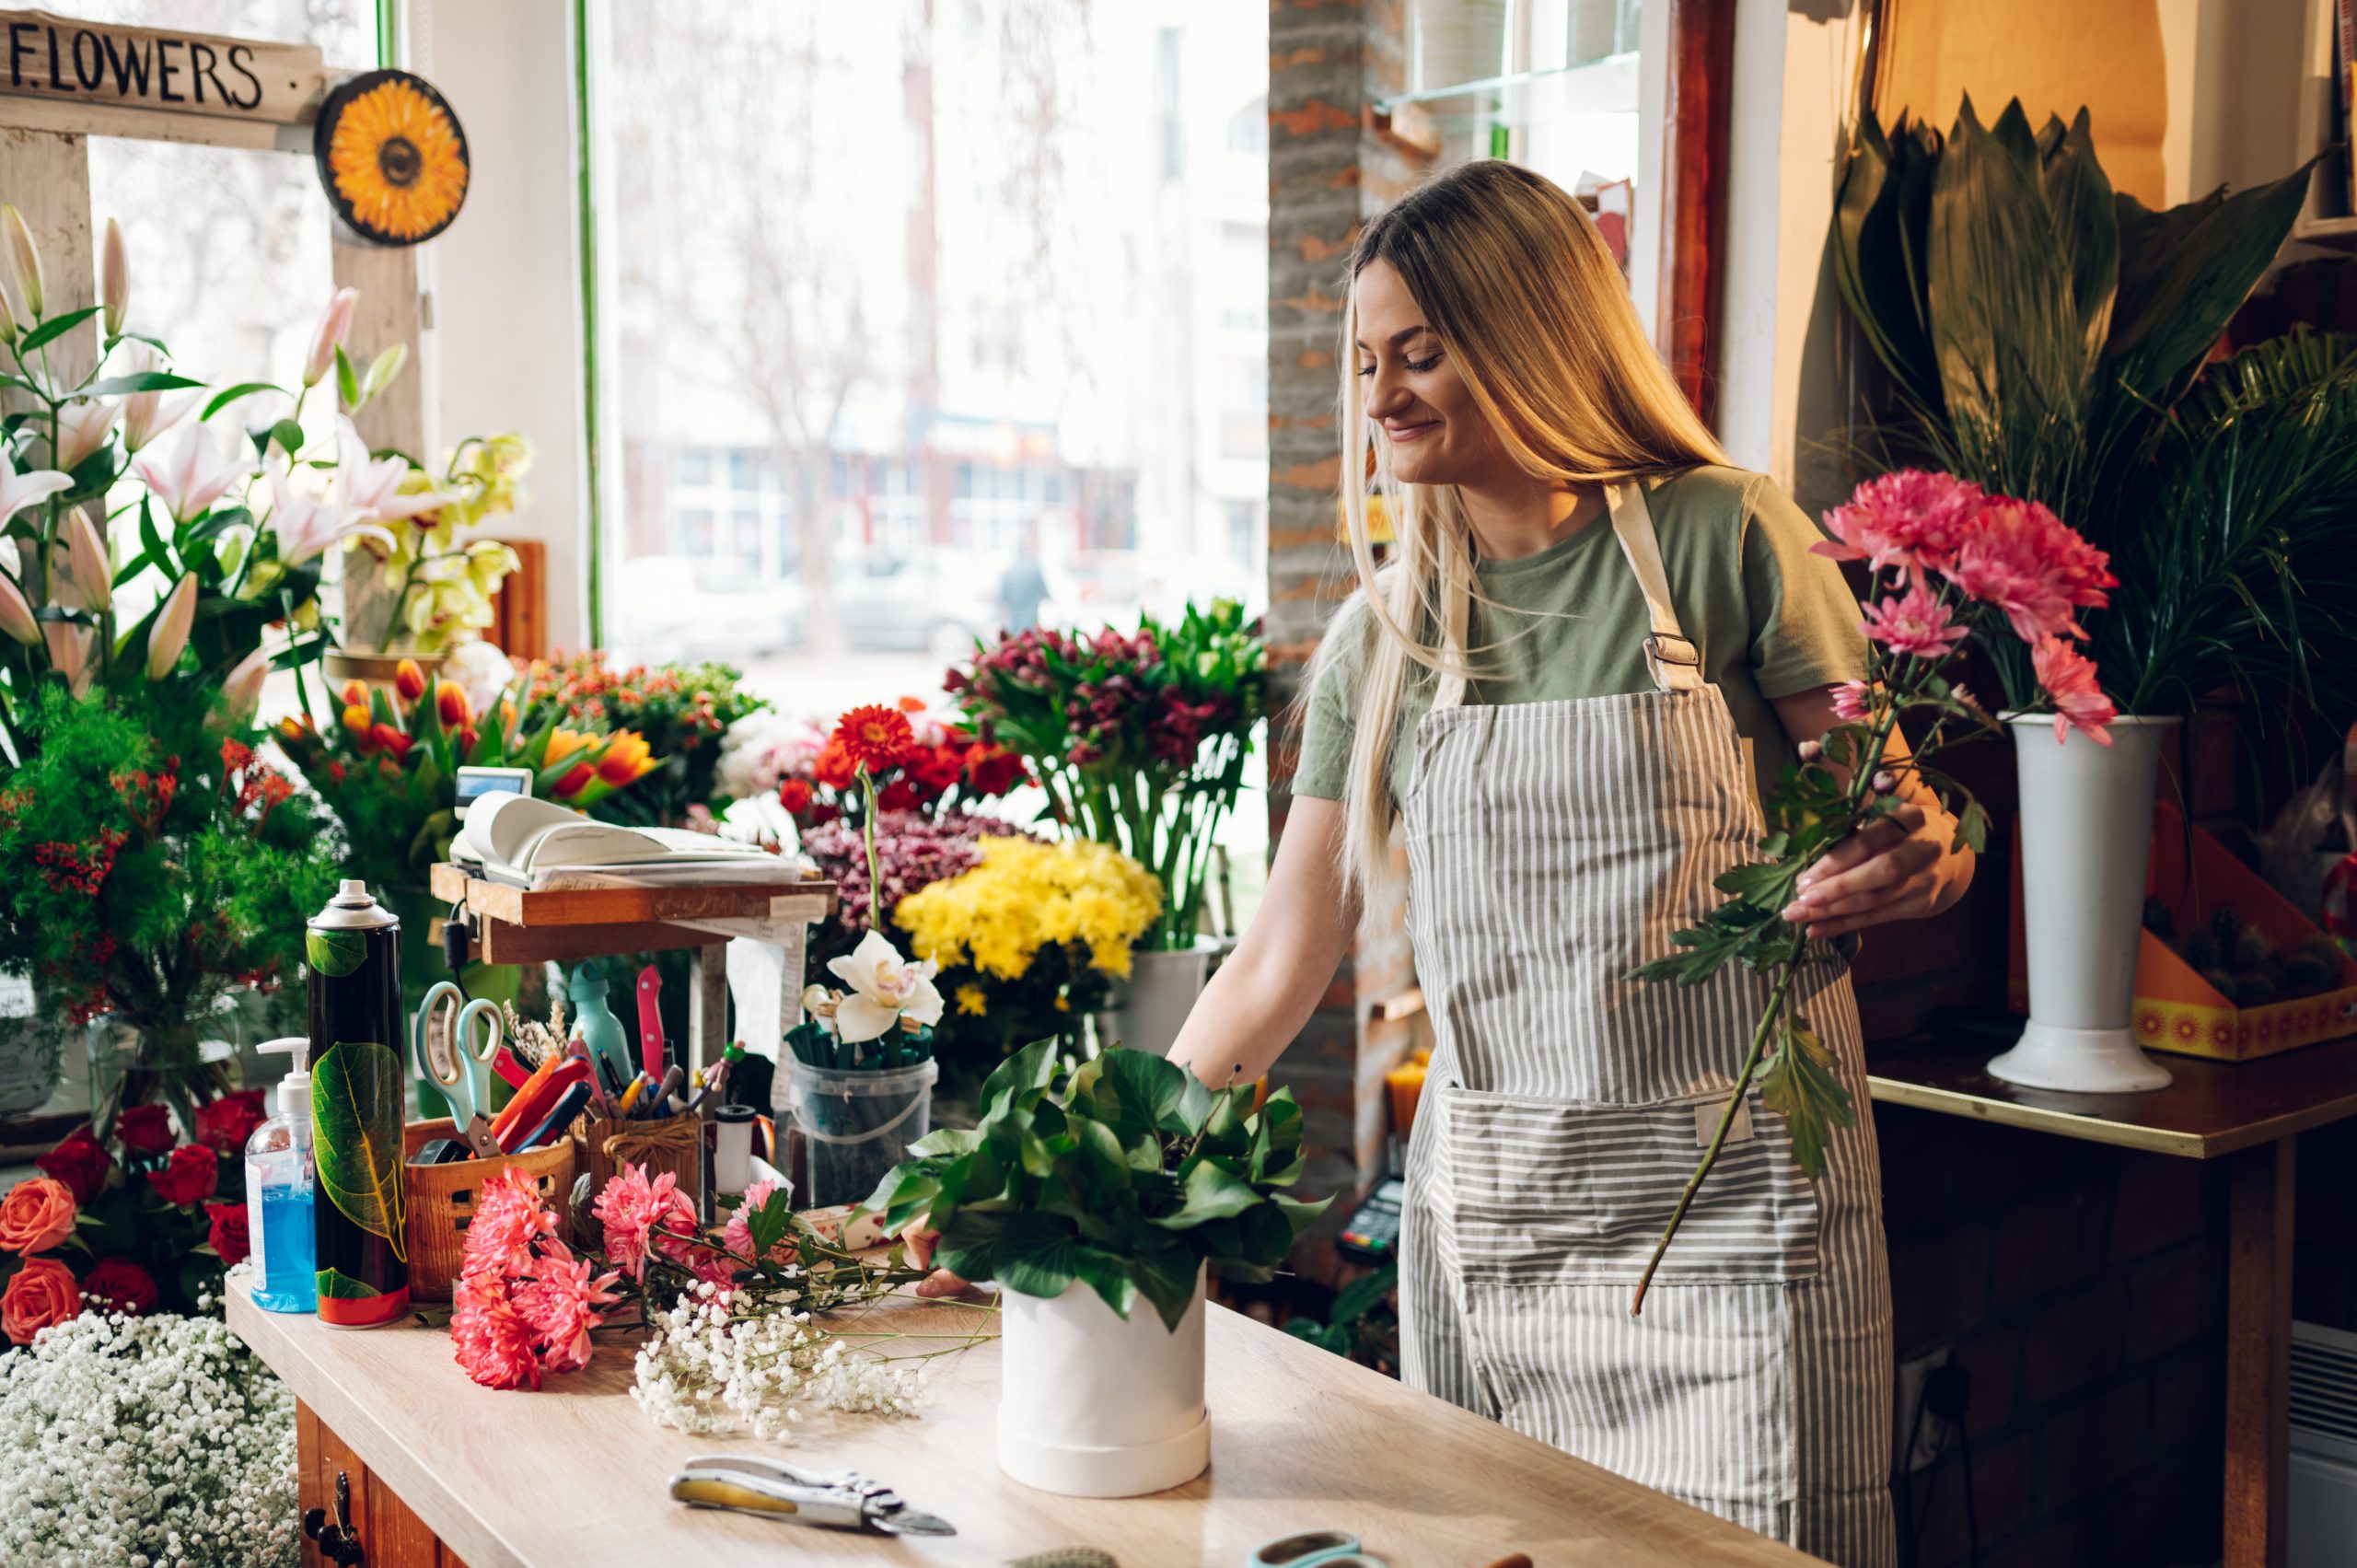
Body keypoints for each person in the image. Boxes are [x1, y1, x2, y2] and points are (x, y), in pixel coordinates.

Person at [1163, 161, 1974, 1566]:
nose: (1382, 395)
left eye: (1422, 350)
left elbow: (1899, 830)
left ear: (1537, 334)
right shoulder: (1388, 638)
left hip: (1739, 1221)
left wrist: (1918, 865)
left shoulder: (1728, 537)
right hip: (1508, 1237)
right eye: (1366, 359)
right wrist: (1116, 1167)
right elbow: (1280, 959)